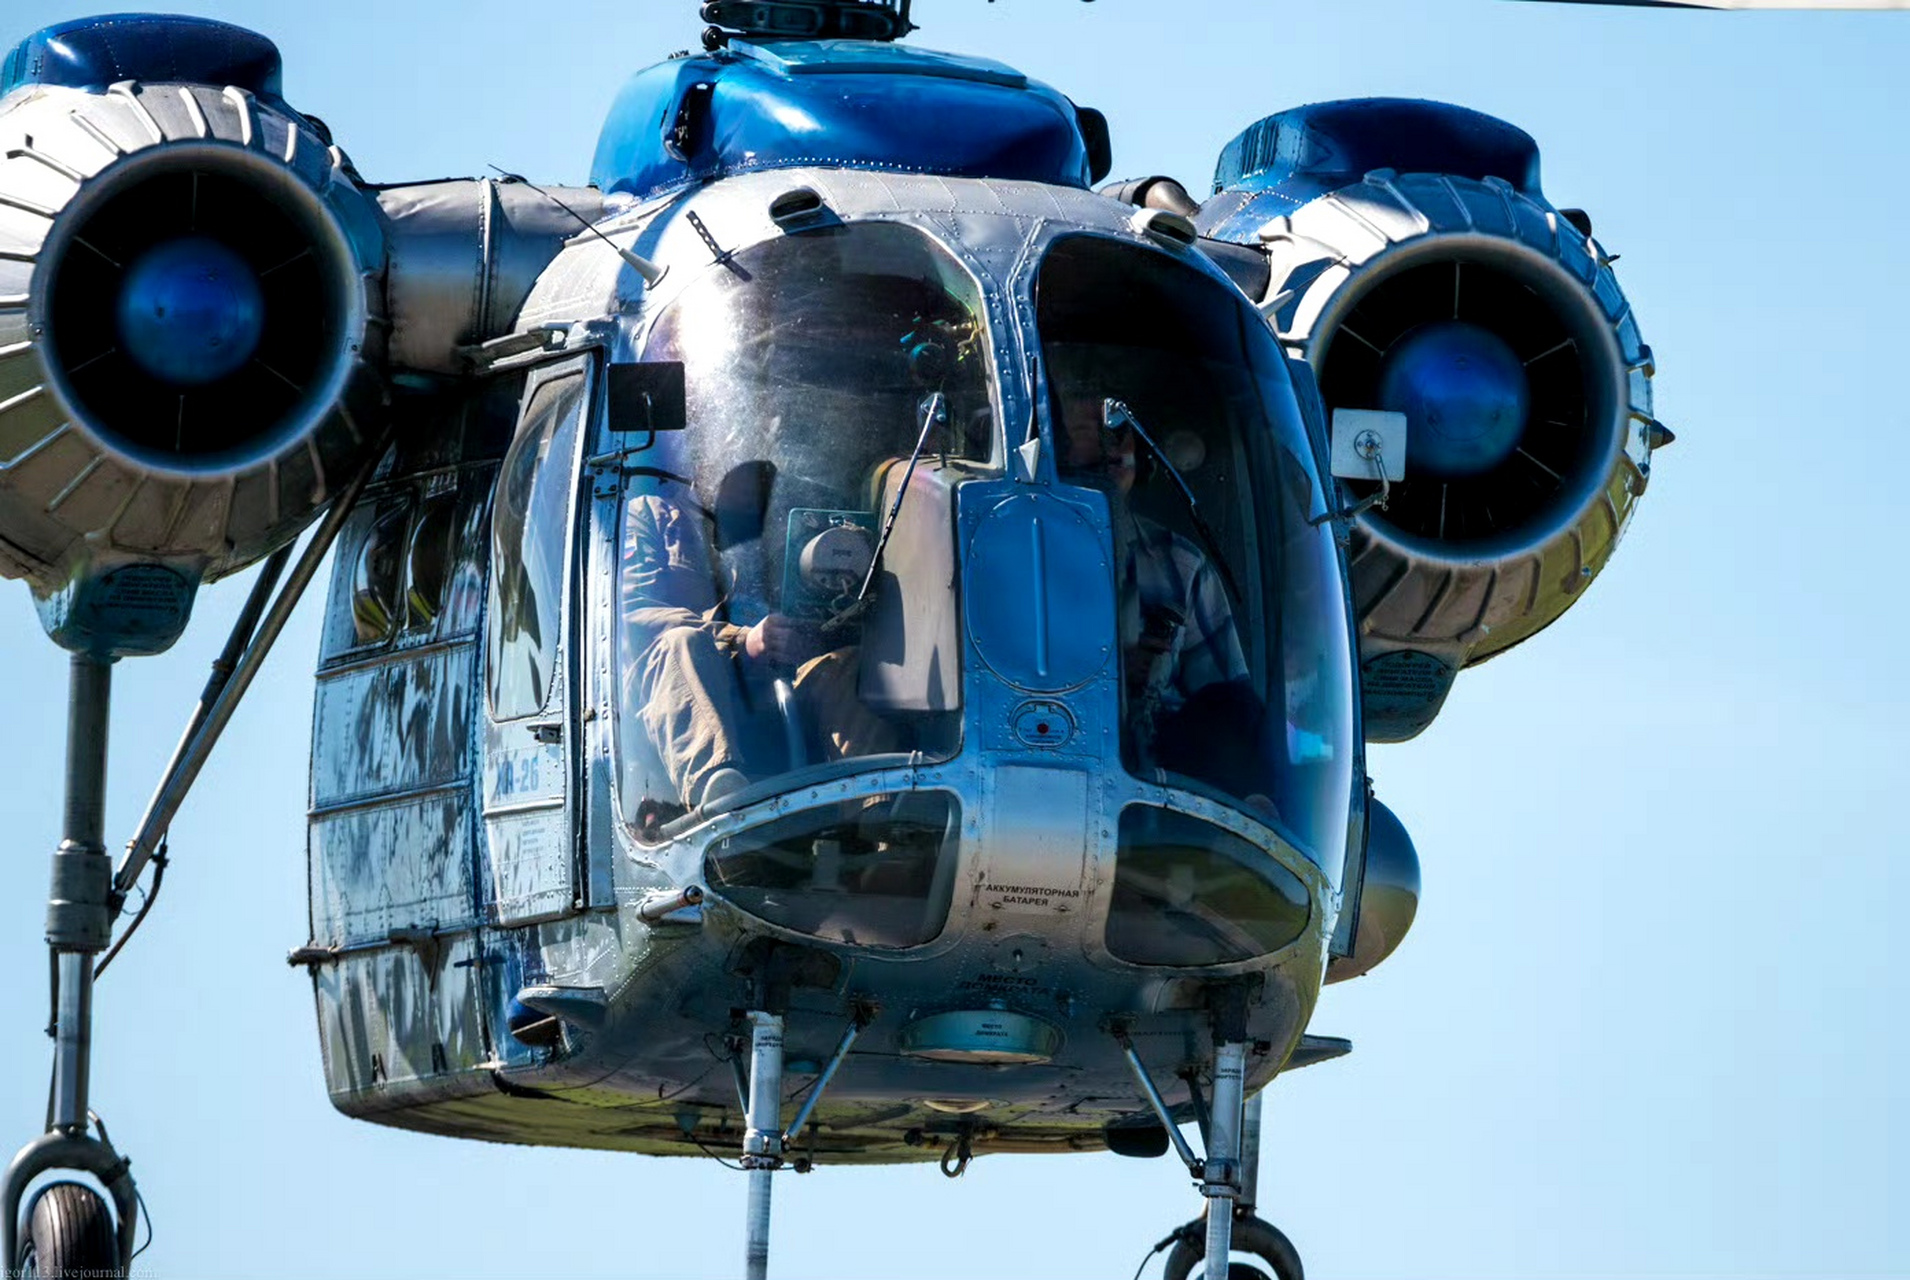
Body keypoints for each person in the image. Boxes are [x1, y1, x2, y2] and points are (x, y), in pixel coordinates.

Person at [1055, 391, 1268, 798]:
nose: (1111, 443)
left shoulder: (1181, 566)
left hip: (1152, 792)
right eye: (1088, 428)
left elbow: (1229, 710)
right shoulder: (1000, 548)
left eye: (1121, 429)